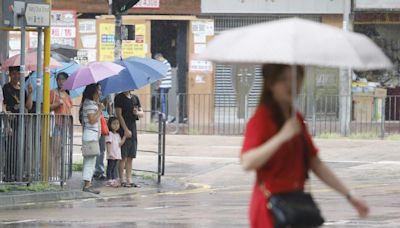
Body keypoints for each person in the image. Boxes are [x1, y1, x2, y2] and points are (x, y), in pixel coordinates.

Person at [240, 64, 369, 228]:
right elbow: (247, 162)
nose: (291, 85)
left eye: (296, 78)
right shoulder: (261, 119)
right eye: (283, 79)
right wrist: (282, 136)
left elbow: (315, 163)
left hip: (296, 205)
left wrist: (349, 195)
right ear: (270, 84)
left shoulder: (296, 119)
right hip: (270, 210)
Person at [2, 66, 33, 181]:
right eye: (13, 73)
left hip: (21, 123)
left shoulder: (22, 89)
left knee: (21, 147)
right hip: (10, 122)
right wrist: (7, 123)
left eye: (18, 74)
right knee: (11, 148)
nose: (16, 76)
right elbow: (3, 105)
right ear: (10, 75)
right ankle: (8, 174)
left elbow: (28, 107)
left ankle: (18, 172)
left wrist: (30, 93)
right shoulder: (6, 88)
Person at [115, 90, 143, 187]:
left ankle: (129, 179)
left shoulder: (135, 98)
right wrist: (125, 129)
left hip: (133, 128)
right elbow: (119, 115)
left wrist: (137, 113)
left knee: (131, 156)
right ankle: (121, 179)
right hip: (123, 129)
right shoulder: (119, 97)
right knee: (123, 156)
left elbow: (141, 113)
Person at [81, 83, 104, 194]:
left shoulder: (91, 103)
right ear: (93, 91)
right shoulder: (90, 103)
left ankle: (88, 183)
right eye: (98, 90)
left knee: (90, 160)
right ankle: (87, 185)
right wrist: (99, 110)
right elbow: (92, 120)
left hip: (91, 134)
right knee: (90, 161)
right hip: (90, 134)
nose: (100, 92)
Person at [50, 72, 73, 177]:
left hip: (65, 127)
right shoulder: (53, 93)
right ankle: (52, 175)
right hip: (55, 125)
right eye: (59, 79)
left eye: (64, 79)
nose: (61, 81)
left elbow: (69, 111)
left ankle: (57, 174)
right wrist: (56, 104)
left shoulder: (68, 95)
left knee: (60, 152)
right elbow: (45, 108)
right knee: (54, 151)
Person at [93, 96, 113, 181]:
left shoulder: (108, 94)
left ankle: (99, 171)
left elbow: (110, 111)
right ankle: (93, 170)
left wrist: (108, 103)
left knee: (102, 148)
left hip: (105, 123)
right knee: (93, 148)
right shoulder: (94, 94)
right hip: (97, 121)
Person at [105, 116, 126, 187]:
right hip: (112, 154)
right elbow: (108, 143)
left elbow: (120, 144)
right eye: (114, 124)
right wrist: (109, 152)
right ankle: (109, 179)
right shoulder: (109, 134)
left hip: (116, 154)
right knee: (110, 167)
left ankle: (113, 179)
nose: (116, 125)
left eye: (117, 123)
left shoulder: (117, 135)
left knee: (114, 167)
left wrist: (124, 137)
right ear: (110, 125)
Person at [154, 53, 172, 120]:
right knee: (164, 101)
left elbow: (160, 76)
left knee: (162, 101)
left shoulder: (163, 64)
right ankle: (164, 116)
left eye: (157, 60)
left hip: (163, 85)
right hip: (167, 85)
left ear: (159, 57)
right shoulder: (168, 63)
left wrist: (157, 86)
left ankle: (164, 117)